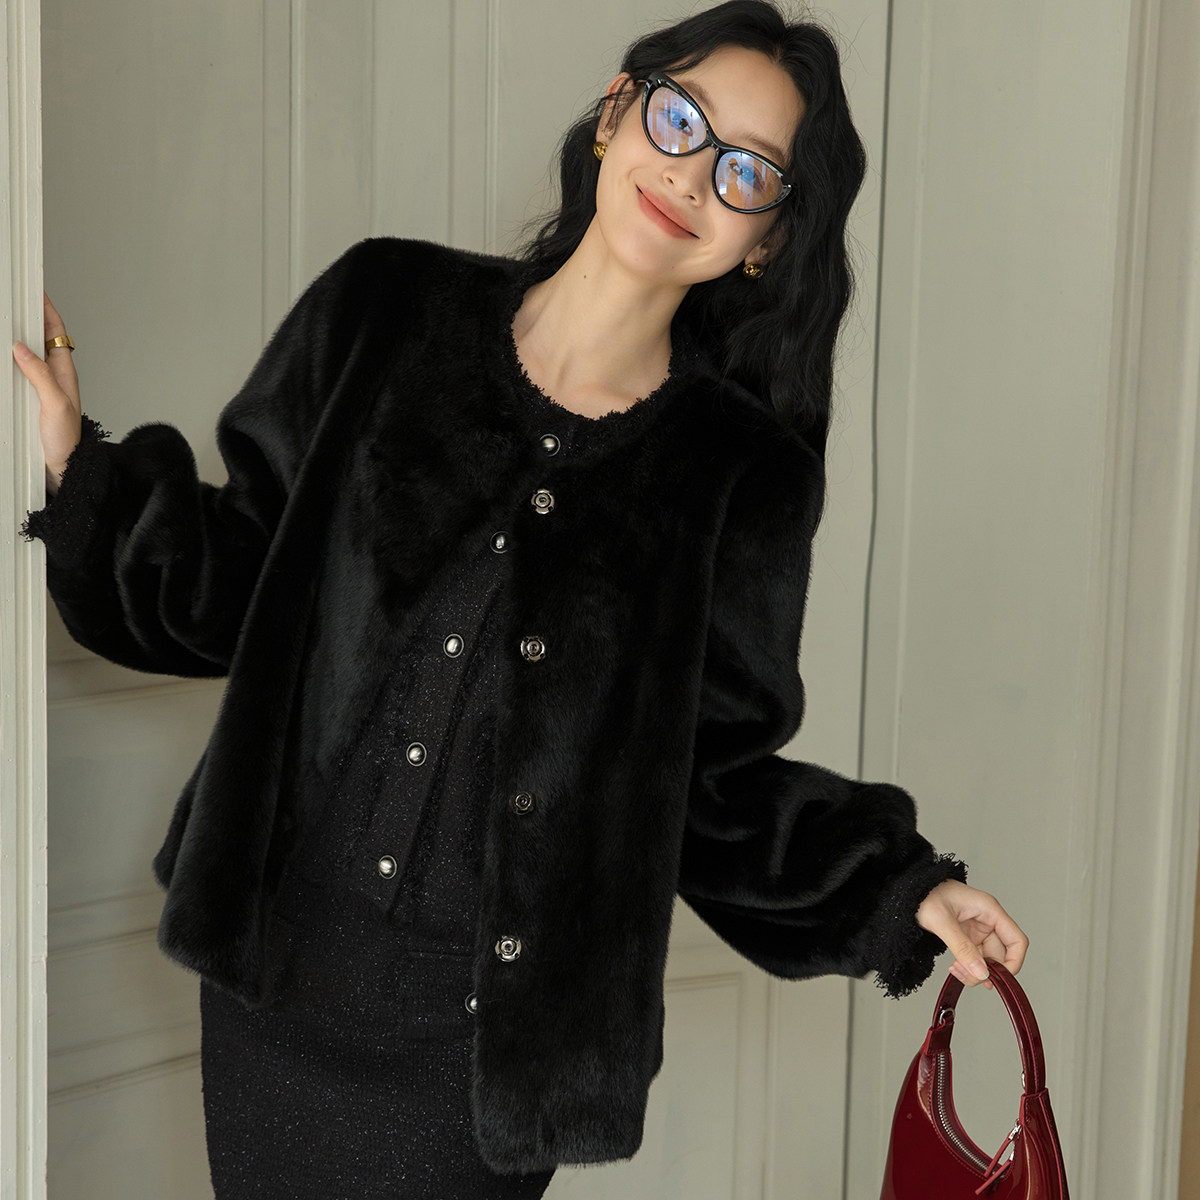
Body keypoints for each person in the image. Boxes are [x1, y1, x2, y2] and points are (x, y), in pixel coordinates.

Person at [13, 1, 1029, 1196]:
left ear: (768, 236)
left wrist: (899, 892)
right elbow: (240, 575)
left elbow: (708, 780)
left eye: (747, 169)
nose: (692, 173)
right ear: (616, 113)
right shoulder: (384, 308)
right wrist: (83, 472)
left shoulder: (739, 473)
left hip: (484, 1053)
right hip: (279, 977)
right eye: (680, 119)